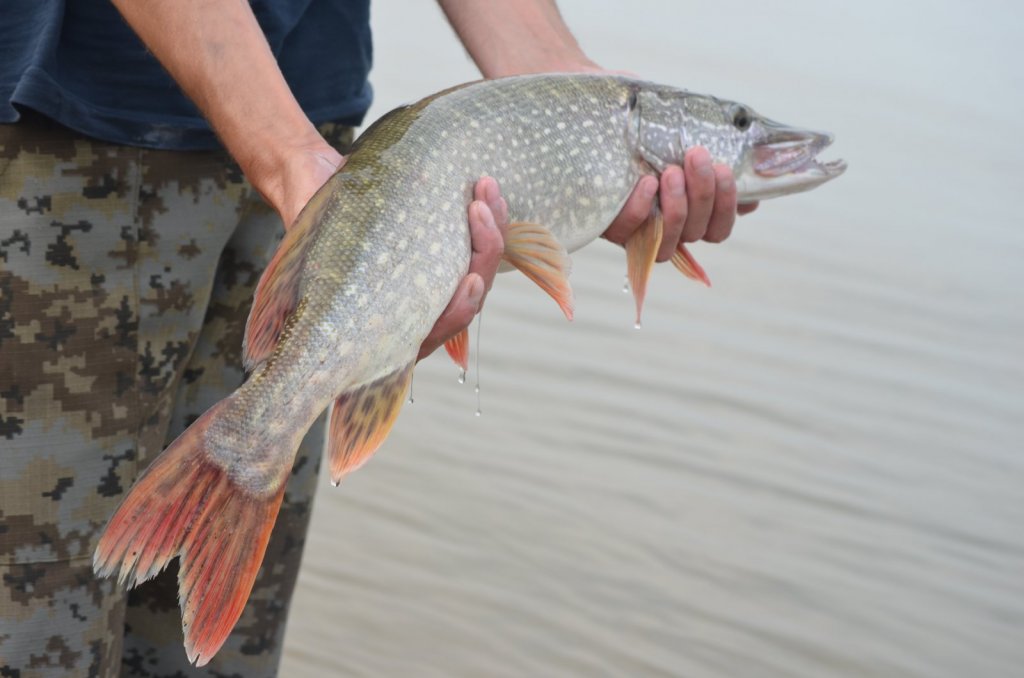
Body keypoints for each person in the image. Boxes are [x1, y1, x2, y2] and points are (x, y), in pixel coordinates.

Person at [0, 1, 757, 675]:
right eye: (741, 126)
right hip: (79, 130)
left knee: (216, 659)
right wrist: (290, 158)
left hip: (328, 137)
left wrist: (560, 82)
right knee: (39, 630)